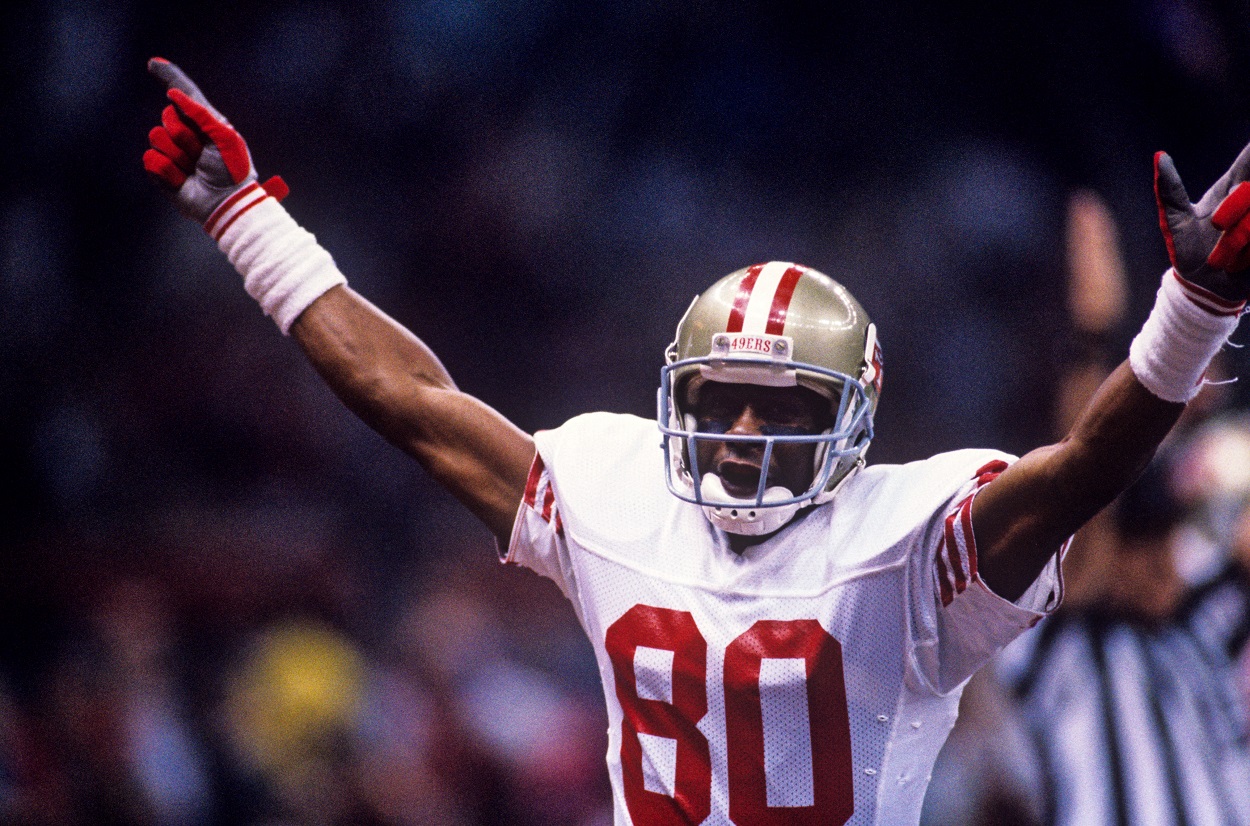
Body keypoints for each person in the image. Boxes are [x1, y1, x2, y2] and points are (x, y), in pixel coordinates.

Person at [142, 55, 1250, 825]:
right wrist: (252, 221)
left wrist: (1189, 315)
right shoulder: (615, 488)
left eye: (783, 407)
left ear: (851, 423)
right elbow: (412, 400)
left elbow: (1082, 473)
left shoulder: (905, 541)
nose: (743, 432)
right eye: (721, 401)